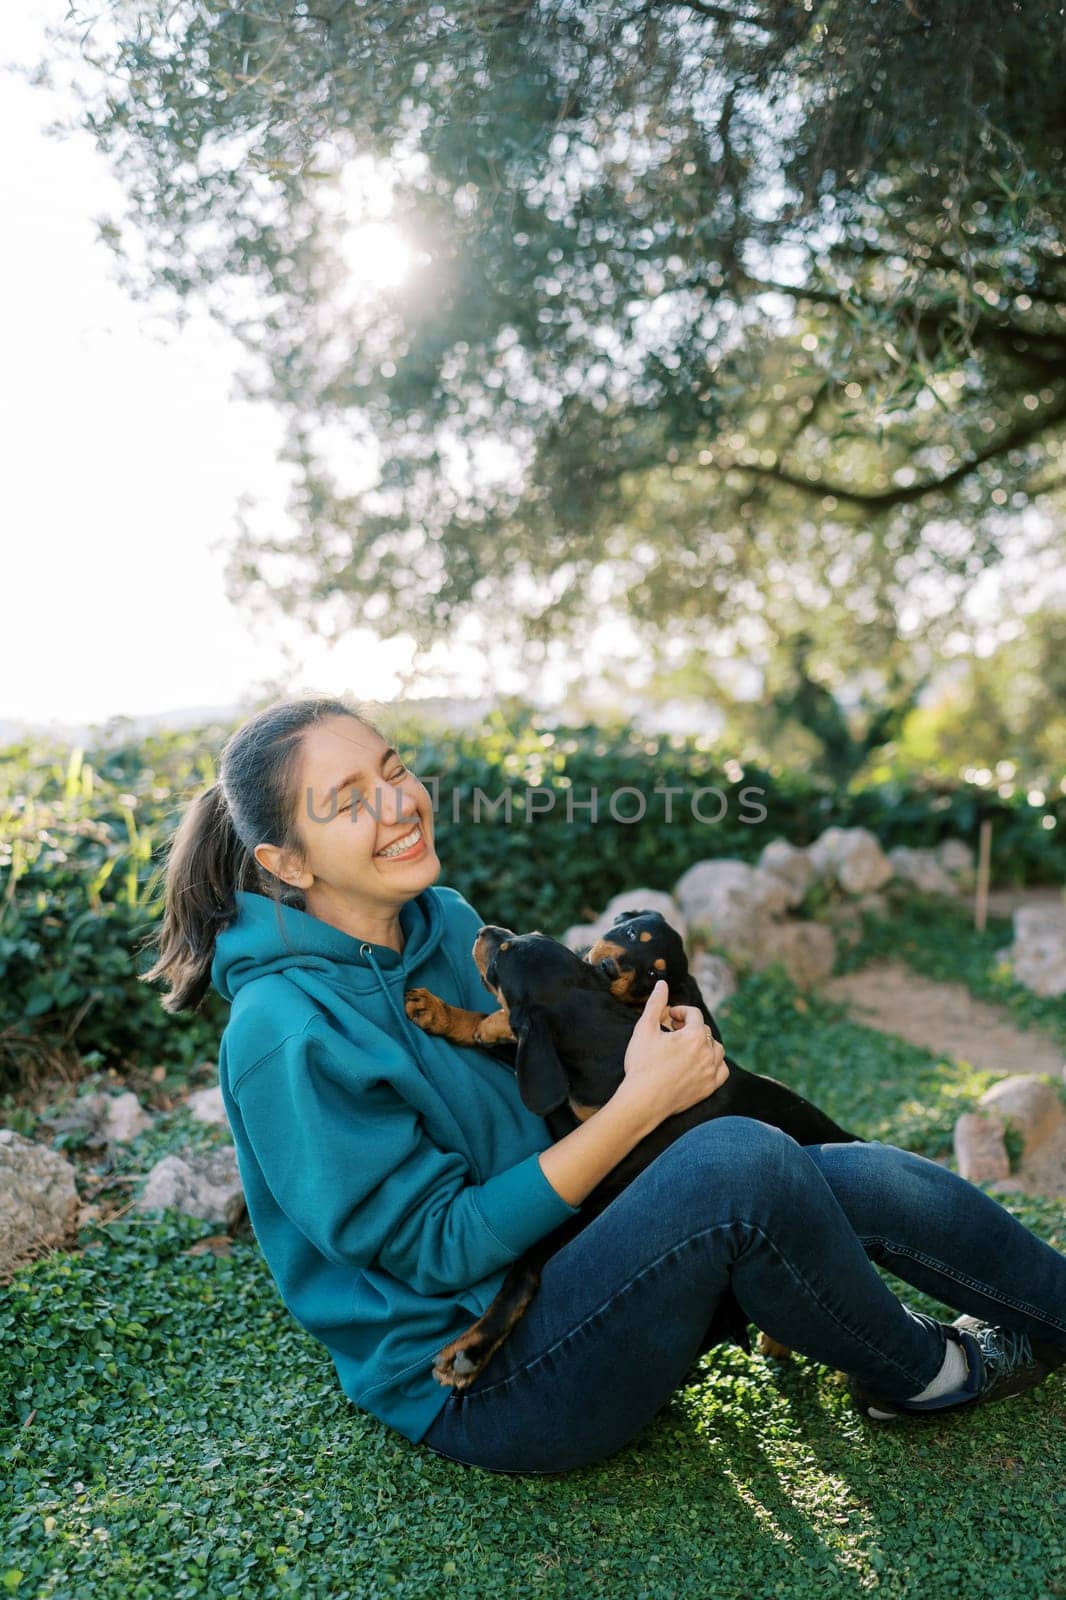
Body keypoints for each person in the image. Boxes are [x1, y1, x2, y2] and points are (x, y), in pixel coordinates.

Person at [142, 694, 1066, 1475]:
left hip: (583, 1261)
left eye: (395, 769)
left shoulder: (442, 921)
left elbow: (545, 1060)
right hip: (490, 1376)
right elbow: (437, 1250)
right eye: (348, 801)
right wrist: (640, 1107)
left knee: (823, 1162)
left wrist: (651, 1049)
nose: (398, 804)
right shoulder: (285, 1034)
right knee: (739, 1161)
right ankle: (931, 1375)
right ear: (287, 864)